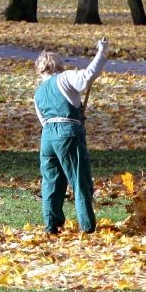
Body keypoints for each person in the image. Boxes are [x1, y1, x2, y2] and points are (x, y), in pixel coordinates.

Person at [33, 38, 109, 234]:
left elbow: (44, 120)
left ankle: (52, 225)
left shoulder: (38, 92)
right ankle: (87, 226)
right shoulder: (65, 78)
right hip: (68, 133)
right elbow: (88, 76)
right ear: (58, 65)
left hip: (47, 137)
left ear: (40, 70)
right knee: (79, 179)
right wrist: (102, 52)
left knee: (51, 182)